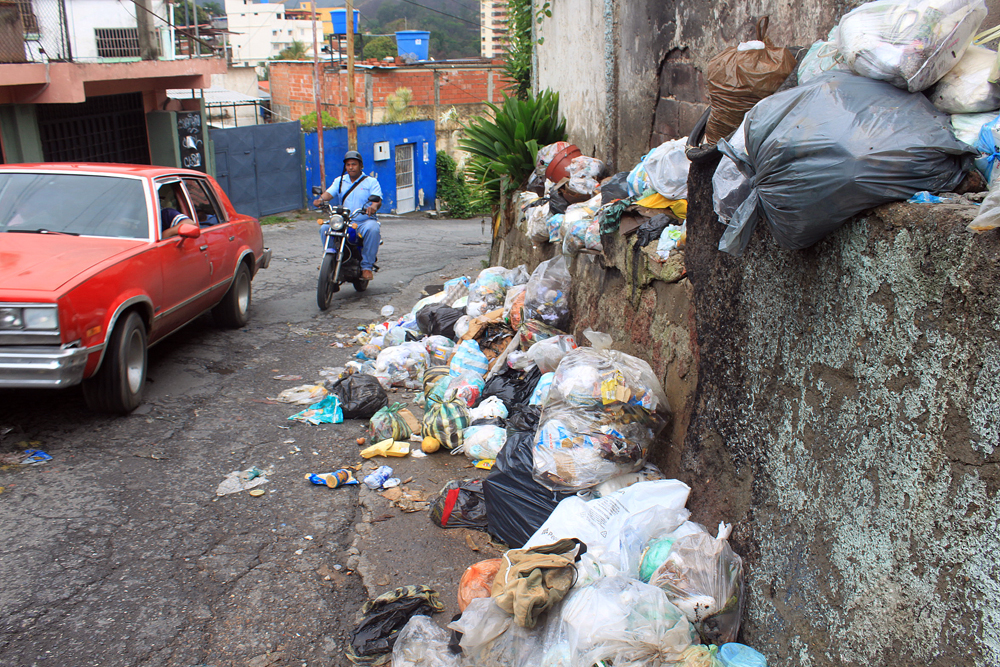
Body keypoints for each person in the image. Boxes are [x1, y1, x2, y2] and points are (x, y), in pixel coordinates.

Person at [313, 150, 382, 281]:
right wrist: (320, 200)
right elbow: (329, 193)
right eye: (348, 164)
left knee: (373, 229)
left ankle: (366, 267)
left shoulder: (371, 182)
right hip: (343, 220)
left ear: (360, 166)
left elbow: (377, 200)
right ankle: (328, 260)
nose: (351, 167)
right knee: (324, 228)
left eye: (354, 164)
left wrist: (373, 206)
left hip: (363, 220)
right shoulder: (340, 181)